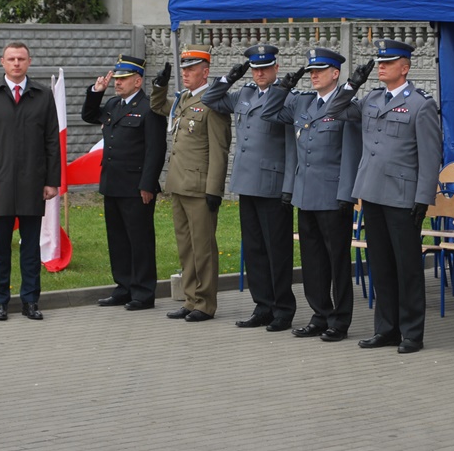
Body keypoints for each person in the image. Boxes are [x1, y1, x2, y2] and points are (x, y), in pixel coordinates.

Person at [328, 38, 441, 354]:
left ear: (404, 68)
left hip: (403, 196)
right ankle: (386, 329)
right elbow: (334, 109)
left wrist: (423, 198)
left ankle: (412, 333)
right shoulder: (372, 98)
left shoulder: (421, 104)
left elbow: (430, 155)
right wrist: (352, 84)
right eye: (380, 62)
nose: (381, 66)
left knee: (407, 268)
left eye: (388, 63)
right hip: (372, 192)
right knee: (380, 265)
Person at [261, 47, 361, 342]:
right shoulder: (302, 102)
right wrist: (283, 87)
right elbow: (268, 112)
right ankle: (320, 315)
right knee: (313, 261)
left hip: (332, 195)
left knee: (336, 262)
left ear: (335, 73)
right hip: (305, 194)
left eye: (319, 71)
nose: (313, 76)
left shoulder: (346, 106)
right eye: (311, 71)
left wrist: (346, 194)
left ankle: (339, 321)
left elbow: (351, 153)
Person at [203, 44, 297, 332]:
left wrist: (289, 187)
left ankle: (283, 309)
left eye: (265, 68)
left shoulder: (286, 97)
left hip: (273, 185)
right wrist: (228, 78)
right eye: (255, 69)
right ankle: (263, 306)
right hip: (247, 182)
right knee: (254, 249)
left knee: (277, 250)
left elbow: (292, 147)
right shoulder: (244, 94)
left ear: (276, 68)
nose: (260, 73)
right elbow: (210, 98)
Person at [0, 42, 60, 322]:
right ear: (3, 62)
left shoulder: (43, 96)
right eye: (11, 59)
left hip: (33, 183)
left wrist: (52, 181)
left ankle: (30, 301)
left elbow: (52, 141)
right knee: (0, 248)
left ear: (29, 62)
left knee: (31, 248)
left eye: (21, 59)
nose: (16, 63)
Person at [150, 45, 232, 322]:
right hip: (179, 183)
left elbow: (219, 149)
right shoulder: (184, 98)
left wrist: (214, 189)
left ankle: (205, 303)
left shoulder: (213, 102)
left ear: (205, 72)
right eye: (183, 69)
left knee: (203, 247)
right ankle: (190, 298)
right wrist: (160, 85)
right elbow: (158, 106)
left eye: (191, 69)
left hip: (199, 186)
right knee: (185, 246)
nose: (185, 74)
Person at [81, 55, 167, 311]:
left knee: (139, 240)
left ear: (137, 81)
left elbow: (155, 150)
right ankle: (123, 287)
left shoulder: (149, 108)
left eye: (124, 79)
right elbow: (89, 115)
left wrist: (147, 185)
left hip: (136, 186)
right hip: (112, 183)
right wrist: (96, 92)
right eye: (116, 79)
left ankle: (143, 292)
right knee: (117, 240)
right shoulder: (113, 104)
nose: (117, 83)